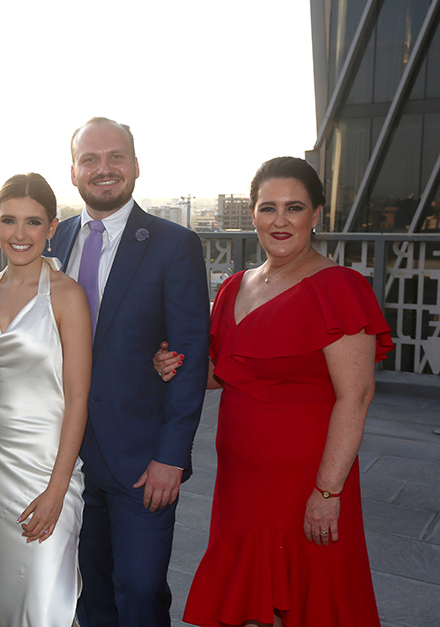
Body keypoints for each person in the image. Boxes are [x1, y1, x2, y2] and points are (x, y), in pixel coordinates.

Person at [0, 117, 210, 625]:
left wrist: (172, 455)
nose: (104, 169)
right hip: (56, 451)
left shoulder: (174, 245)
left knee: (141, 590)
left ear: (136, 166)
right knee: (87, 592)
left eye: (116, 157)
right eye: (90, 159)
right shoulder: (53, 237)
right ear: (74, 172)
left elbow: (190, 356)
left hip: (139, 454)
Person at [156, 156, 393, 626]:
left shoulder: (339, 288)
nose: (279, 221)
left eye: (294, 208)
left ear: (317, 215)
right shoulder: (235, 287)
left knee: (311, 601)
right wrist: (172, 365)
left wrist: (327, 493)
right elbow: (223, 373)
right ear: (253, 214)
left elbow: (356, 397)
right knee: (248, 605)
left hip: (305, 479)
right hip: (241, 482)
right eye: (268, 208)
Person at [0, 173, 92, 626]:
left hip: (47, 467)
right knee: (2, 596)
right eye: (9, 221)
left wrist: (57, 491)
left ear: (53, 227)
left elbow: (78, 397)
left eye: (33, 222)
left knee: (46, 600)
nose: (20, 234)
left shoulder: (67, 296)